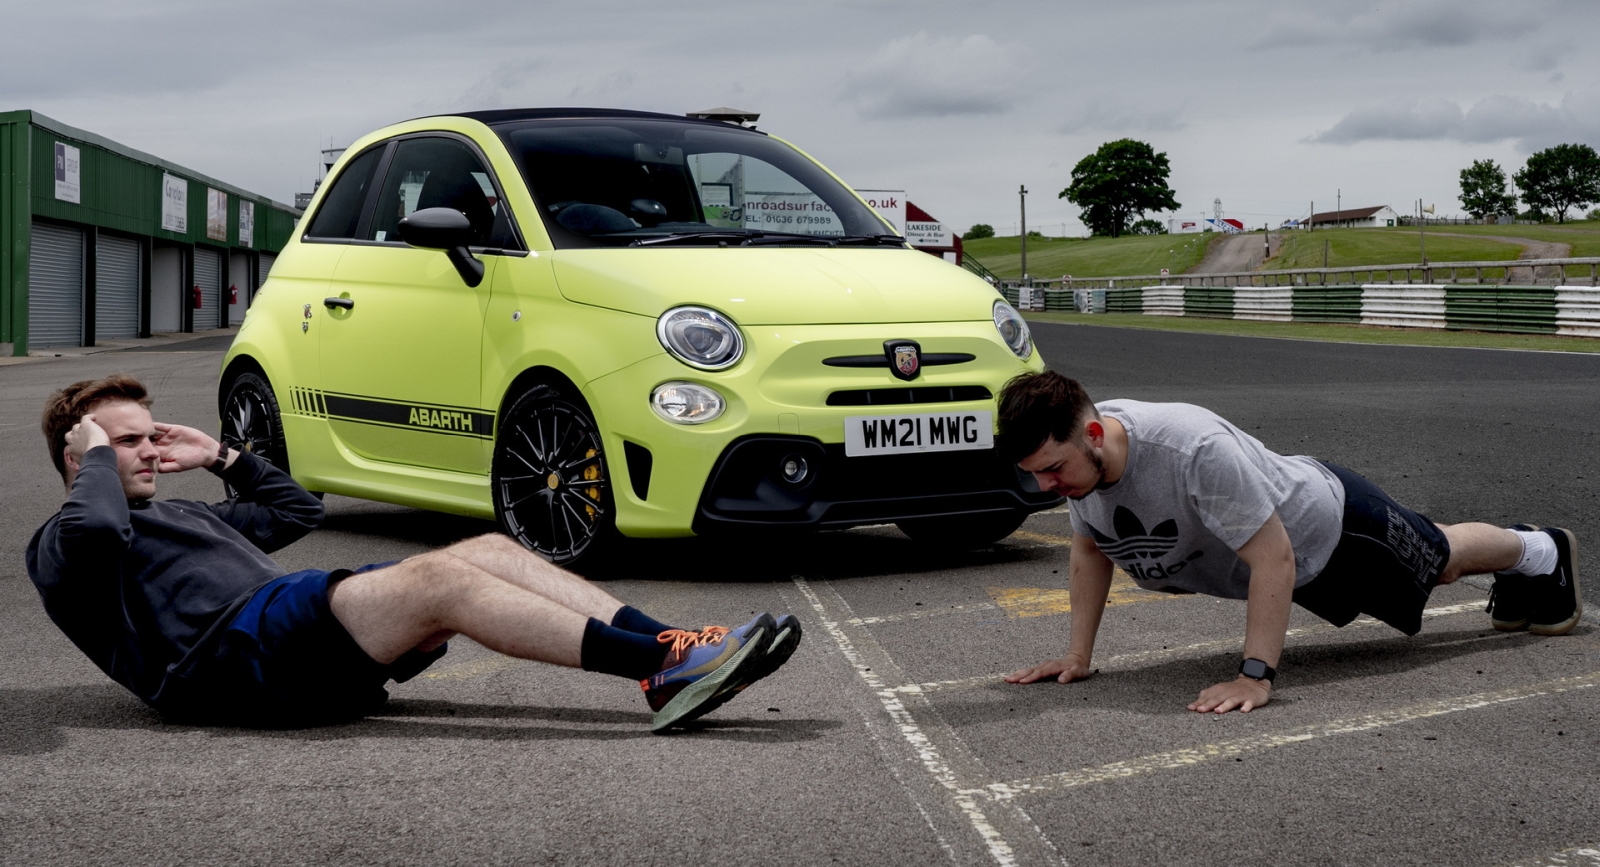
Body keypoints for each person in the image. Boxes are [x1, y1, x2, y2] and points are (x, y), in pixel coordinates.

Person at [27, 374, 800, 731]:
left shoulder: (187, 514)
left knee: (488, 549)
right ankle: (659, 666)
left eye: (148, 438)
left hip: (291, 625)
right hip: (232, 655)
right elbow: (95, 530)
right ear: (77, 457)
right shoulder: (63, 541)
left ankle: (672, 648)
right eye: (126, 443)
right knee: (441, 580)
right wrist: (94, 453)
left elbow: (298, 508)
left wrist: (222, 454)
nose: (149, 454)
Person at [998, 371, 1580, 714]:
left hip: (1336, 524)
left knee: (1443, 560)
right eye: (1035, 474)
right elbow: (1090, 549)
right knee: (1438, 559)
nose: (1047, 487)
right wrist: (1079, 656)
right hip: (1294, 561)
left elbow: (1272, 556)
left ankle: (1543, 552)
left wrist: (1255, 676)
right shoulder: (1080, 470)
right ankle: (1526, 561)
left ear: (1093, 434)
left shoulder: (1191, 450)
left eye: (1053, 469)